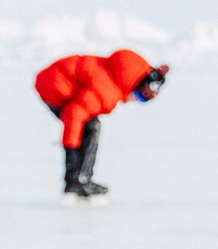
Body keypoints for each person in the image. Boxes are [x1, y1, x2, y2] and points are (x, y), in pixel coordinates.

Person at [35, 48, 167, 202]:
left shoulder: (116, 77)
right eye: (139, 96)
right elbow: (74, 113)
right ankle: (78, 181)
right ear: (134, 84)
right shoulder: (106, 91)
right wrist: (70, 150)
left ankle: (81, 179)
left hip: (56, 81)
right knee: (91, 127)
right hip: (53, 86)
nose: (135, 100)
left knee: (90, 125)